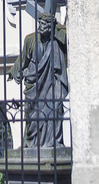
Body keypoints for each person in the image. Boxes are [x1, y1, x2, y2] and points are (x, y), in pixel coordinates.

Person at [9, 11, 68, 147]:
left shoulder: (57, 40)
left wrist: (58, 27)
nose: (42, 26)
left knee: (54, 108)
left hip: (52, 82)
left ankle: (53, 141)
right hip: (35, 83)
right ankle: (31, 143)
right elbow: (23, 59)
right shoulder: (30, 39)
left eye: (46, 24)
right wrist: (14, 71)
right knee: (33, 115)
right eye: (41, 23)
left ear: (51, 26)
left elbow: (67, 39)